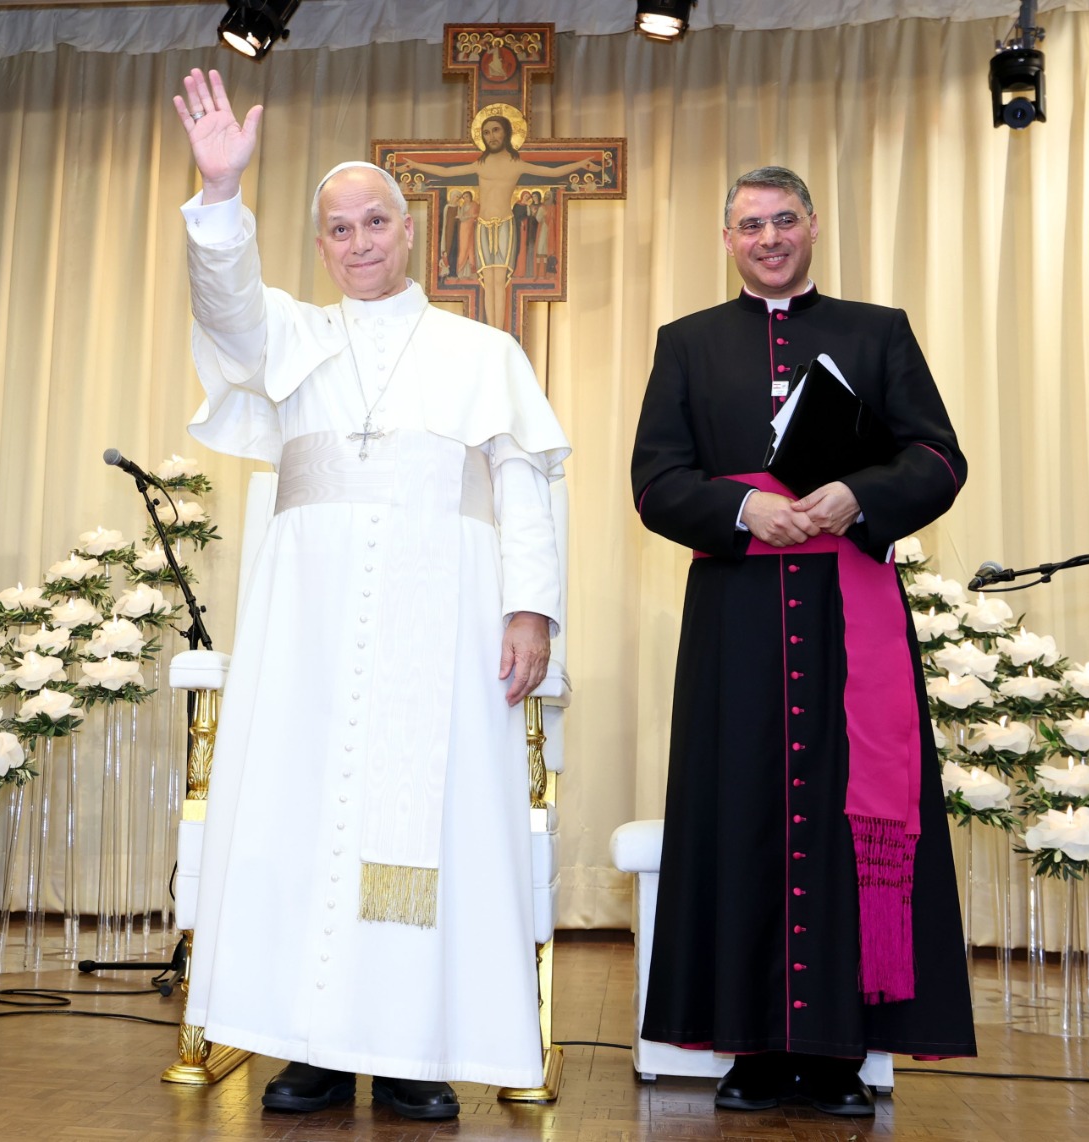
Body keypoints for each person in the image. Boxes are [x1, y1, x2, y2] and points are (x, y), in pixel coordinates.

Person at [172, 69, 570, 1121]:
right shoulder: (290, 339)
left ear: (411, 232)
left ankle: (406, 1046)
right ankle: (306, 1046)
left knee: (420, 817)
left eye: (374, 222)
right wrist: (220, 196)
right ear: (321, 246)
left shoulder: (482, 351)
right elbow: (224, 302)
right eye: (337, 228)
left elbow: (524, 483)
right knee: (304, 814)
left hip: (435, 618)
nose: (357, 241)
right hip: (310, 623)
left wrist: (530, 608)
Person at [630, 166, 975, 1117]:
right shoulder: (687, 344)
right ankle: (747, 1049)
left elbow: (939, 457)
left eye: (785, 220)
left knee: (841, 811)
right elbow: (656, 483)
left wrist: (860, 494)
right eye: (751, 225)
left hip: (846, 614)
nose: (769, 237)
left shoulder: (878, 330)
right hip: (738, 613)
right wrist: (744, 508)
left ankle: (836, 1053)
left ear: (813, 224)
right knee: (738, 810)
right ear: (727, 236)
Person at [397, 113, 603, 332]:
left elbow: (552, 172)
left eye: (495, 130)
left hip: (505, 225)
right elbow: (447, 172)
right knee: (487, 282)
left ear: (506, 132)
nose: (491, 136)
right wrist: (415, 165)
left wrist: (581, 164)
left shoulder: (516, 163)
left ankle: (499, 333)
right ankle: (492, 333)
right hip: (483, 226)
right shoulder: (480, 164)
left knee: (499, 281)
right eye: (486, 132)